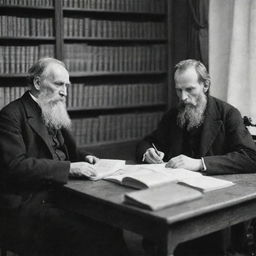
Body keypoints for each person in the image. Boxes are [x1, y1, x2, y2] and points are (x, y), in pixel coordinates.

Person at [0, 58, 128, 256]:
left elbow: (67, 152)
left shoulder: (51, 109)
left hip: (62, 194)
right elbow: (16, 166)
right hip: (29, 203)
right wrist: (69, 168)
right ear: (37, 83)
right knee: (88, 233)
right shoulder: (11, 115)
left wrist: (86, 158)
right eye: (59, 84)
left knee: (111, 223)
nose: (65, 92)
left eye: (66, 86)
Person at [136, 59, 256, 255]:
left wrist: (199, 164)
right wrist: (148, 152)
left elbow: (251, 156)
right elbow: (146, 142)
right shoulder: (174, 115)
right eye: (178, 90)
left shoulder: (228, 114)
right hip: (175, 200)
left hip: (216, 205)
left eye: (189, 89)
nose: (183, 97)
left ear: (205, 85)